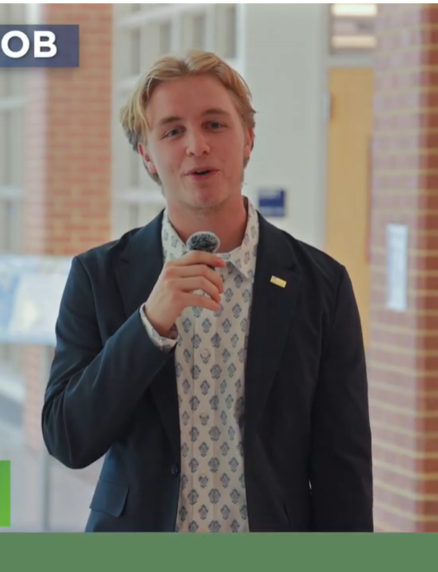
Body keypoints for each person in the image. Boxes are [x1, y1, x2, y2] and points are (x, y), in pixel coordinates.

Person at [42, 49, 372, 533]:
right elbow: (69, 438)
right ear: (147, 157)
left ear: (248, 140)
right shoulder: (99, 277)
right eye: (172, 131)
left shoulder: (321, 284)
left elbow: (343, 464)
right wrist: (148, 326)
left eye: (215, 124)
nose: (196, 145)